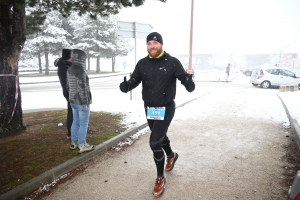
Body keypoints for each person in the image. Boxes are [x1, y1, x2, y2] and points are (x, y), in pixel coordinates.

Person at [119, 32, 195, 197]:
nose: (152, 46)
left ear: (161, 44)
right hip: (150, 108)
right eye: (149, 43)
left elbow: (189, 87)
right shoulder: (142, 63)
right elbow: (135, 80)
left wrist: (189, 78)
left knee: (154, 143)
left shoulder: (172, 62)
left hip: (166, 108)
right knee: (160, 136)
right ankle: (171, 155)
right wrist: (127, 86)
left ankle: (160, 177)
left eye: (155, 43)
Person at [66, 49, 94, 154]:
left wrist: (72, 97)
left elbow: (68, 86)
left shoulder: (69, 69)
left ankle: (74, 142)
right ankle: (82, 145)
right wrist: (85, 102)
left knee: (75, 122)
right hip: (81, 102)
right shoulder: (80, 70)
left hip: (73, 101)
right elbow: (83, 88)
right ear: (81, 58)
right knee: (83, 123)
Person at [54, 49, 73, 139]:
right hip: (70, 92)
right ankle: (70, 132)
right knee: (72, 112)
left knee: (76, 111)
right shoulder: (65, 68)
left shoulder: (66, 65)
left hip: (70, 91)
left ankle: (76, 129)